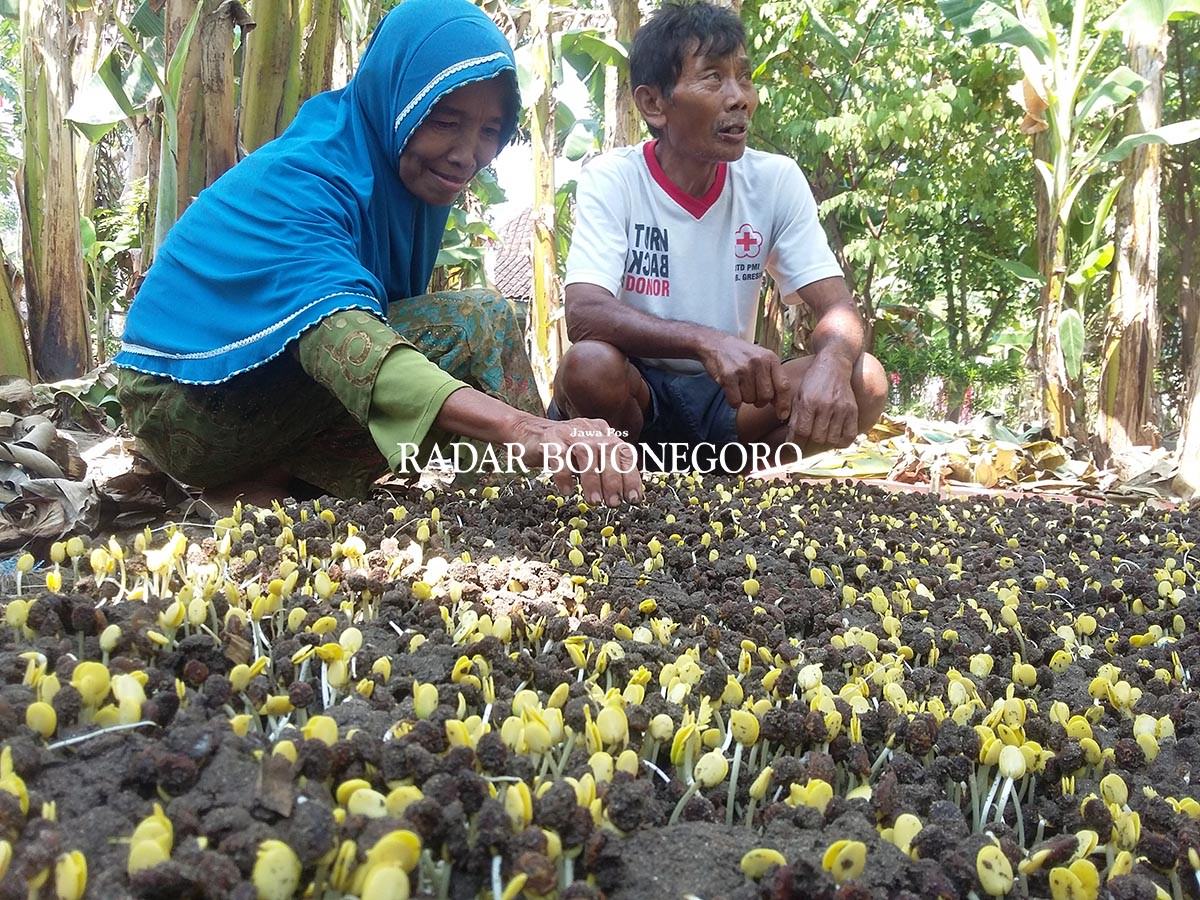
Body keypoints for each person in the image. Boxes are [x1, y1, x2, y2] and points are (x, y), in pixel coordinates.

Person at [115, 0, 640, 507]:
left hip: (257, 393)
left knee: (451, 362)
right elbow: (347, 343)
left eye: (489, 131)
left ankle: (273, 481)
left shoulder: (396, 182)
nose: (467, 155)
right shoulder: (308, 178)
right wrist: (529, 428)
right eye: (446, 121)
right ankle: (532, 492)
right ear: (398, 97)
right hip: (182, 400)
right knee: (478, 322)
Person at [551, 1, 887, 469]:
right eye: (713, 78)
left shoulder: (775, 181)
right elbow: (584, 315)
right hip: (636, 392)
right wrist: (708, 342)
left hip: (730, 403)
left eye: (744, 78)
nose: (739, 98)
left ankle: (731, 479)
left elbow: (836, 307)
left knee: (865, 379)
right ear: (653, 103)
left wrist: (832, 362)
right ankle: (625, 472)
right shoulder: (613, 178)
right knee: (588, 367)